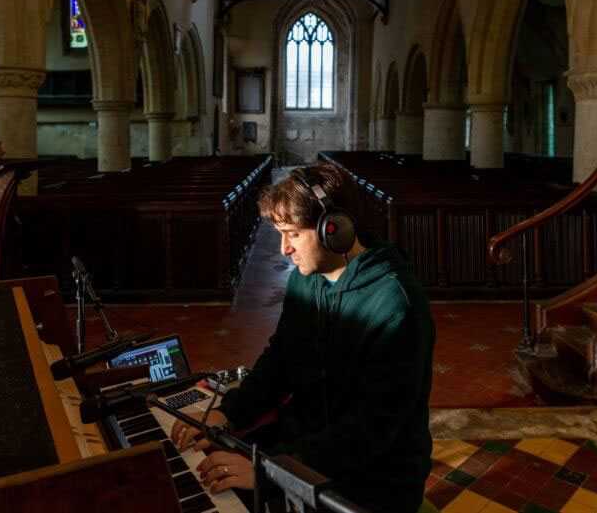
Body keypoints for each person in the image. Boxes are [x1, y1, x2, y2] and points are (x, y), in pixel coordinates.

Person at [171, 163, 435, 513]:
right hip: (307, 445)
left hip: (372, 478)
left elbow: (372, 429)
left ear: (334, 229)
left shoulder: (396, 304)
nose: (284, 249)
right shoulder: (306, 279)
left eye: (293, 234)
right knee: (200, 470)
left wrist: (267, 471)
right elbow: (281, 359)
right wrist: (227, 414)